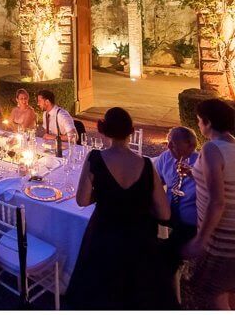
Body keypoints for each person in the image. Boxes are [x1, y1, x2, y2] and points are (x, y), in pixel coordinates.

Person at [65, 107, 173, 309]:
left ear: (104, 130)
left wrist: (104, 195)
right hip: (139, 241)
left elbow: (82, 200)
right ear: (131, 131)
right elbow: (164, 213)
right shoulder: (147, 165)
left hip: (103, 236)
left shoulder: (95, 158)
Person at [183, 98, 235, 310]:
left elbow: (217, 202)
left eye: (199, 121)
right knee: (231, 292)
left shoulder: (211, 149)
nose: (198, 125)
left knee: (212, 295)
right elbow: (230, 182)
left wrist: (200, 239)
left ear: (207, 122)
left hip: (226, 238)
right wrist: (193, 173)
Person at [154, 126, 200, 302]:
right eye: (168, 143)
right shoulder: (165, 158)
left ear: (190, 145)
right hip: (168, 214)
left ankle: (173, 302)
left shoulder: (201, 163)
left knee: (167, 256)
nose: (168, 148)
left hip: (190, 222)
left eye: (173, 144)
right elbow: (156, 183)